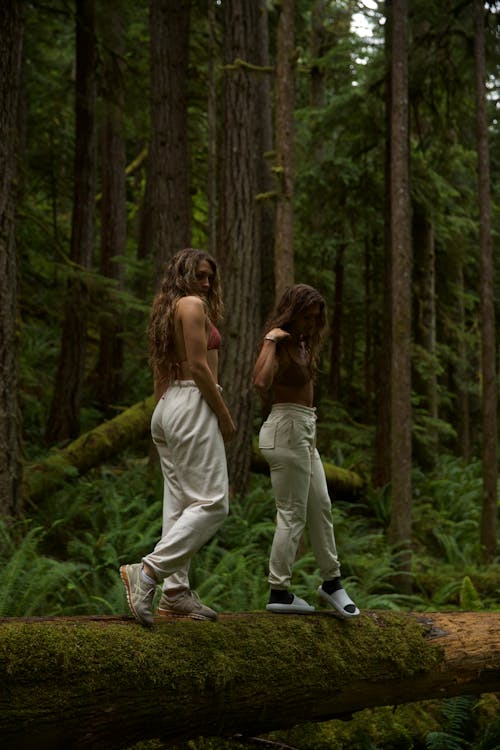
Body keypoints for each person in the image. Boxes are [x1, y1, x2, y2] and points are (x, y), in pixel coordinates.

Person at [120, 248, 236, 627]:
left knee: (181, 504)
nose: (205, 283)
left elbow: (160, 372)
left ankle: (175, 593)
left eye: (209, 278)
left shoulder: (167, 310)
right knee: (214, 503)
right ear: (183, 274)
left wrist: (162, 417)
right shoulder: (190, 305)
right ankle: (149, 572)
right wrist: (223, 415)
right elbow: (200, 368)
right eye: (199, 275)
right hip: (192, 400)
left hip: (170, 405)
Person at [253, 284, 359, 617]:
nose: (311, 324)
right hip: (286, 430)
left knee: (321, 506)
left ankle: (332, 582)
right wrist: (271, 340)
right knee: (292, 513)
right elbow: (260, 382)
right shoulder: (280, 342)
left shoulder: (302, 342)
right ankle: (279, 590)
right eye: (306, 317)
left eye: (316, 318)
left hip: (304, 430)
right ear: (292, 313)